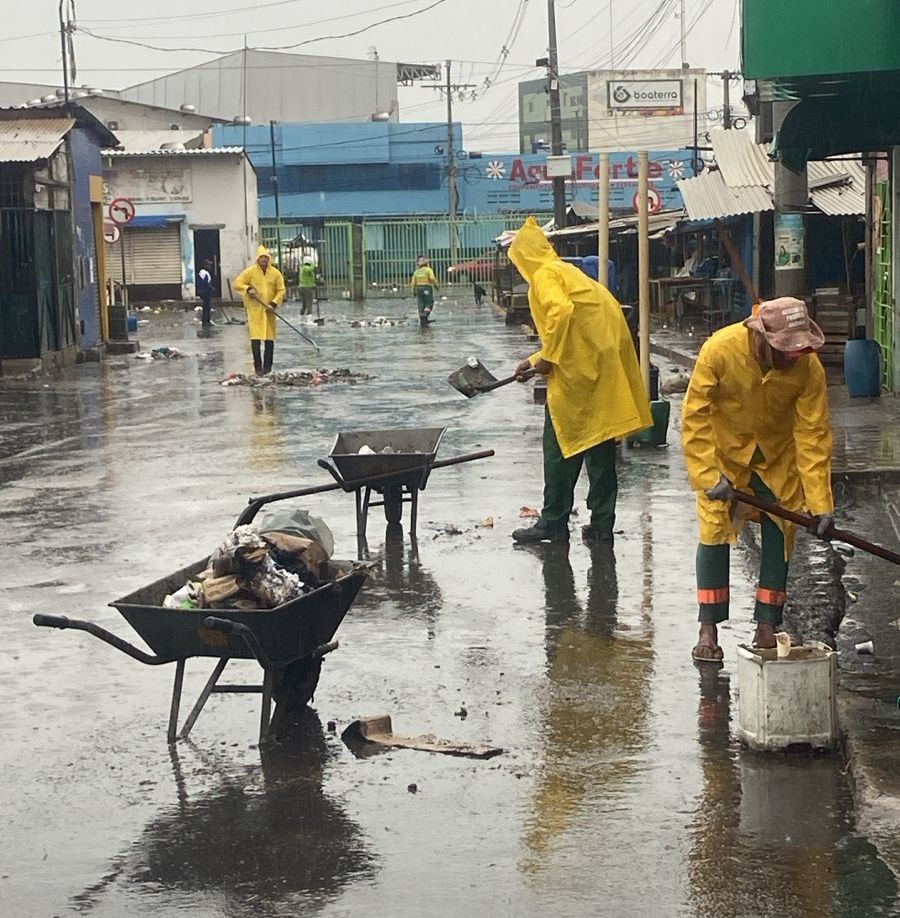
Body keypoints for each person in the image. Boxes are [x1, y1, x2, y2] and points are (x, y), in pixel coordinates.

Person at [682, 297, 834, 663]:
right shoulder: (719, 350)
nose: (792, 358)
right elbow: (695, 417)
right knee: (714, 532)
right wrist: (706, 475)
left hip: (775, 459)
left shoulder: (808, 369)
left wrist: (821, 505)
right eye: (785, 350)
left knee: (780, 530)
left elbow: (813, 436)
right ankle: (709, 627)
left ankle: (768, 623)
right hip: (724, 456)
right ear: (761, 337)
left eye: (798, 351)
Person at [508, 216, 653, 544]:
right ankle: (602, 524)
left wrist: (545, 359)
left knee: (560, 444)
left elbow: (561, 313)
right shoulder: (567, 272)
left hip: (579, 372)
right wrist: (533, 362)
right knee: (600, 444)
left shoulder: (544, 275)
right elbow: (575, 320)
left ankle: (553, 521)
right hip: (599, 366)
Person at [233, 245, 286, 375]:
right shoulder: (250, 272)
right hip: (255, 311)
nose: (264, 260)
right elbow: (237, 283)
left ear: (269, 260)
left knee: (269, 339)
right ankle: (258, 368)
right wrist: (248, 289)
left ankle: (268, 368)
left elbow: (281, 290)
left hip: (269, 311)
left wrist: (273, 304)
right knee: (255, 339)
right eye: (261, 258)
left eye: (266, 258)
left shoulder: (275, 273)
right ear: (258, 259)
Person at [410, 255, 439, 326]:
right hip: (426, 288)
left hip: (418, 288)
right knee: (429, 303)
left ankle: (423, 319)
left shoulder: (416, 272)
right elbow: (432, 278)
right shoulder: (428, 270)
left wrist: (413, 292)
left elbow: (413, 283)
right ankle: (425, 315)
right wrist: (436, 285)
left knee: (421, 304)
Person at [197, 258, 214, 326]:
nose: (210, 266)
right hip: (205, 292)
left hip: (206, 292)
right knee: (206, 307)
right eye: (208, 265)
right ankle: (205, 321)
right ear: (205, 265)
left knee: (207, 306)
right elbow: (204, 283)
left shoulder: (205, 272)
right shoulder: (203, 272)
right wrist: (210, 288)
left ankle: (207, 320)